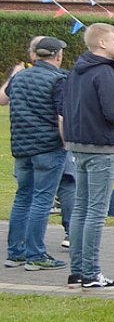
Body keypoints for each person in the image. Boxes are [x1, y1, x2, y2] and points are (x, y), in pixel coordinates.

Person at [60, 23, 114, 290]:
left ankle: (77, 272)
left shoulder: (76, 71)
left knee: (80, 209)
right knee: (95, 213)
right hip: (100, 146)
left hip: (77, 144)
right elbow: (112, 112)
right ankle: (91, 273)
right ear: (101, 43)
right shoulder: (103, 72)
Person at [4, 36, 70, 273]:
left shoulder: (19, 77)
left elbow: (5, 98)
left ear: (36, 54)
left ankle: (15, 252)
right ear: (57, 55)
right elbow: (62, 116)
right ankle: (35, 254)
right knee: (42, 200)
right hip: (48, 146)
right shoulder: (59, 79)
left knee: (23, 197)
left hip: (21, 146)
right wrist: (66, 144)